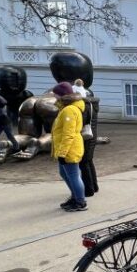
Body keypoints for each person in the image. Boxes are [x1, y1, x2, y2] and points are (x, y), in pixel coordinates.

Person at [50, 82, 87, 212]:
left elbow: (68, 133)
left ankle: (80, 201)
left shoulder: (69, 110)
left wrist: (62, 153)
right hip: (66, 147)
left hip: (69, 148)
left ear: (61, 95)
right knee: (66, 173)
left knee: (73, 175)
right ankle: (75, 197)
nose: (54, 97)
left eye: (55, 94)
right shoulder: (66, 108)